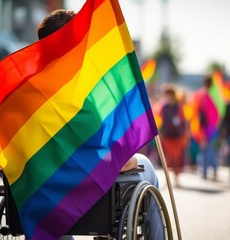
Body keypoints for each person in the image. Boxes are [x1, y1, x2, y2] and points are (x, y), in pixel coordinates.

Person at [37, 9, 163, 240]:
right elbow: (114, 159)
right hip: (85, 189)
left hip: (43, 190)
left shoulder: (24, 92)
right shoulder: (87, 92)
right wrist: (130, 158)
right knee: (146, 167)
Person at [157, 83, 187, 187]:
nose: (167, 97)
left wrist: (184, 133)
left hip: (177, 136)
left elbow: (183, 120)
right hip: (167, 136)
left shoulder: (178, 106)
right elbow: (159, 120)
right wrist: (160, 132)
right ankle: (168, 178)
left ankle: (176, 177)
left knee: (177, 157)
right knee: (168, 158)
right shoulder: (163, 106)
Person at [192, 75, 219, 180]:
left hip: (203, 127)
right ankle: (212, 170)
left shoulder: (199, 94)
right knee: (210, 150)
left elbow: (195, 111)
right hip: (211, 127)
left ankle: (205, 172)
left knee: (204, 150)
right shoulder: (214, 94)